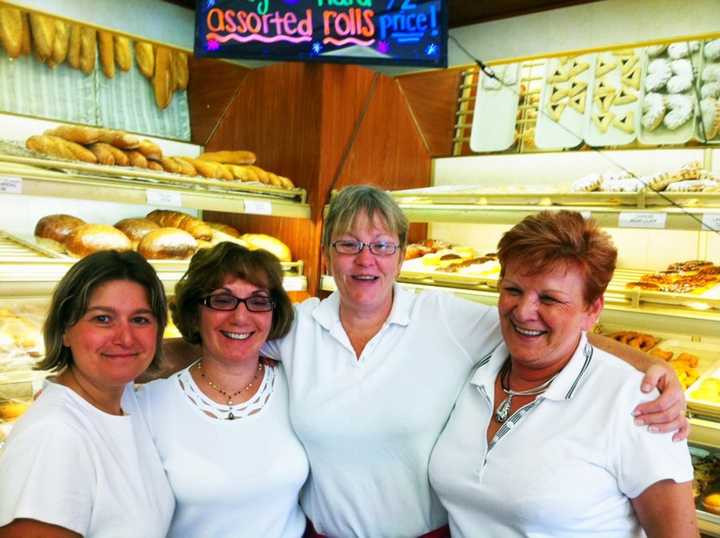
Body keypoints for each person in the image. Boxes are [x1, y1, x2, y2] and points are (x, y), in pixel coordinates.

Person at [259, 185, 689, 538]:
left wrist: (655, 370)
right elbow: (221, 344)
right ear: (326, 252)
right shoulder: (295, 326)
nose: (365, 258)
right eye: (348, 244)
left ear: (403, 254)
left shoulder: (444, 319)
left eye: (382, 245)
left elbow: (556, 333)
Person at [429, 210, 697, 537]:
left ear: (592, 310)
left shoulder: (635, 405)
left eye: (550, 299)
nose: (525, 311)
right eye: (513, 290)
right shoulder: (474, 368)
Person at [135, 242, 308, 537]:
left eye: (258, 301)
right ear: (194, 312)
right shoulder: (148, 404)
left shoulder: (300, 389)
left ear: (273, 313)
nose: (241, 317)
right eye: (222, 300)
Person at [0, 250, 174, 538]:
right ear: (65, 330)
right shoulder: (54, 438)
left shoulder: (122, 401)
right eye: (103, 319)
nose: (125, 337)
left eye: (140, 320)